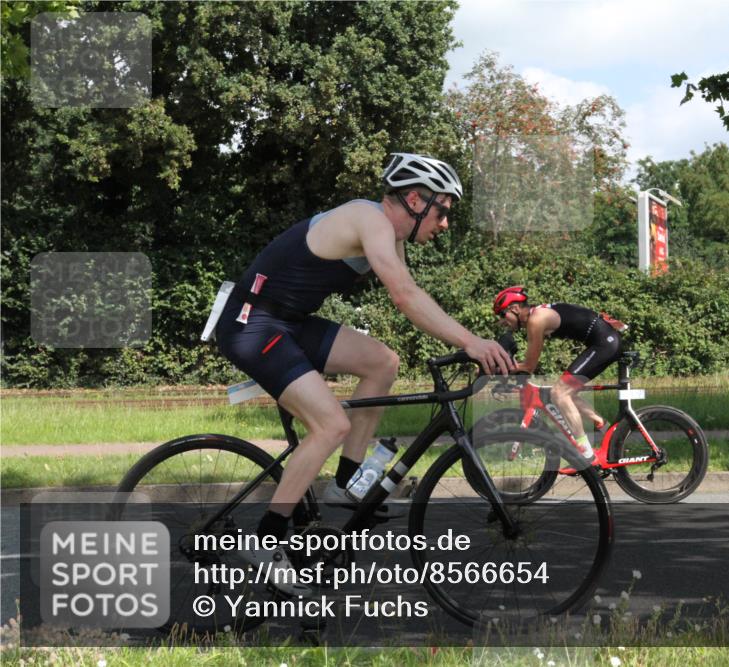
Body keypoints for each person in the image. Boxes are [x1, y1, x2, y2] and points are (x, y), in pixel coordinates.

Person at [215, 153, 514, 593]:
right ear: (414, 199)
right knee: (330, 423)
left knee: (383, 362)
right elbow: (405, 296)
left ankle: (344, 484)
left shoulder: (389, 235)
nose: (445, 222)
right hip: (252, 323)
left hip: (289, 321)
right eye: (443, 210)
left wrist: (465, 339)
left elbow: (416, 298)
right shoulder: (368, 218)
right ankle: (267, 541)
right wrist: (470, 342)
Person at [492, 286, 624, 463]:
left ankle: (586, 454)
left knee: (559, 393)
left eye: (502, 315)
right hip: (603, 340)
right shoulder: (536, 316)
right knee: (563, 392)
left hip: (604, 343)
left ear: (514, 309)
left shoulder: (536, 320)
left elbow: (530, 365)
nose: (502, 322)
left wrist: (501, 368)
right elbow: (527, 364)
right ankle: (605, 427)